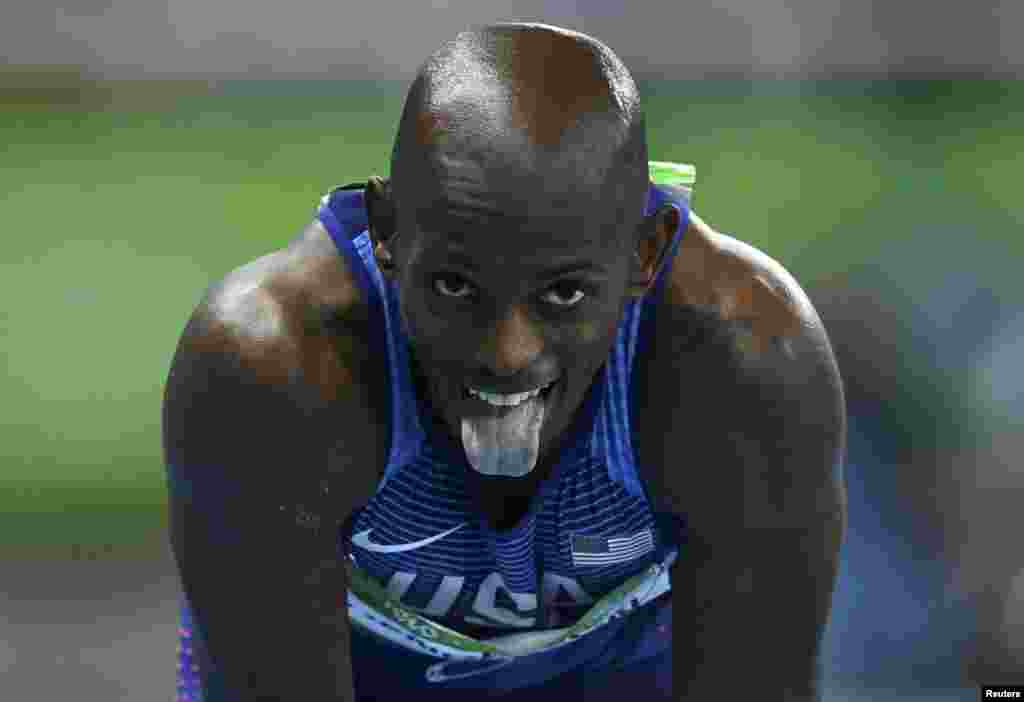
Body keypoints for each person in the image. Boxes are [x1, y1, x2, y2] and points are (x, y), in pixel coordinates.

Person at [163, 22, 846, 702]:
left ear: (646, 253)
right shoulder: (273, 369)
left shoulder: (744, 361)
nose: (505, 354)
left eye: (564, 292)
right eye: (456, 286)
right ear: (386, 233)